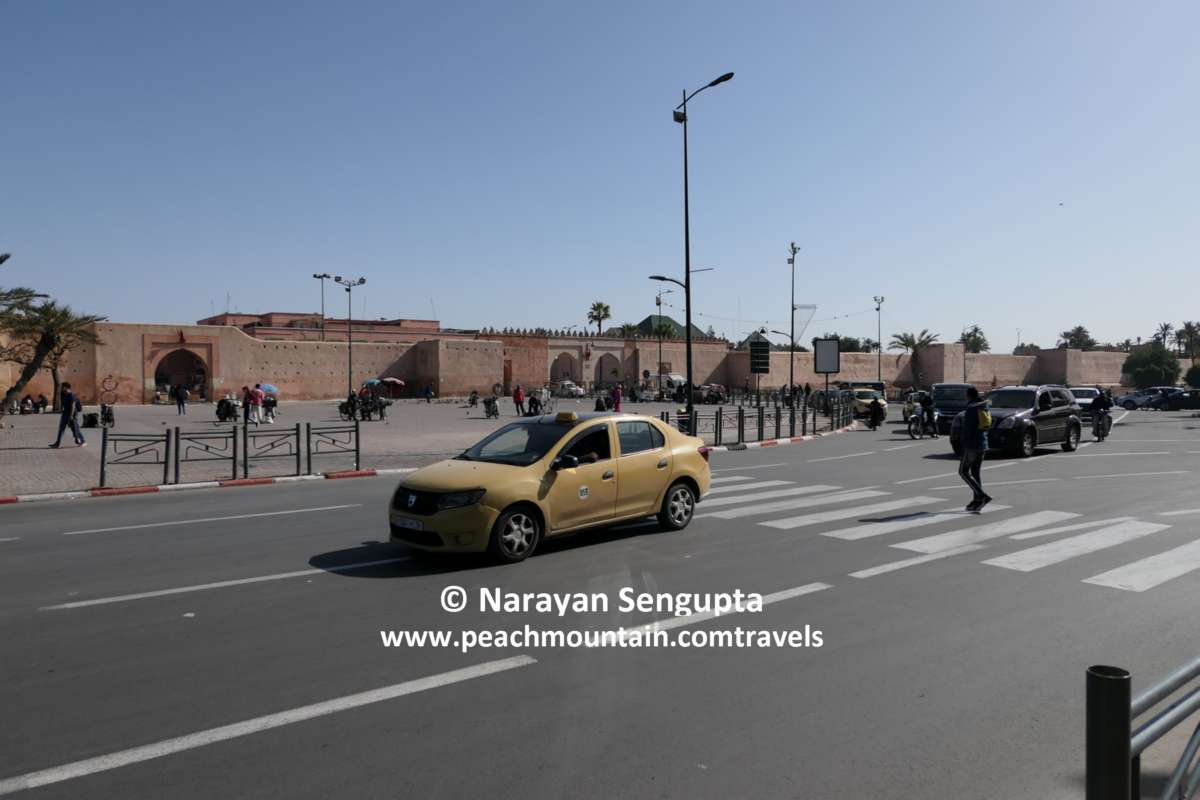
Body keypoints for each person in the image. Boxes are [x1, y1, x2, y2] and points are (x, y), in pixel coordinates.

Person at [959, 386, 991, 512]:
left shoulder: (971, 408)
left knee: (963, 472)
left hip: (971, 445)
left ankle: (982, 496)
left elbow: (968, 429)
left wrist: (963, 444)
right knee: (975, 472)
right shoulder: (984, 406)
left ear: (969, 396)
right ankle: (977, 500)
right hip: (982, 443)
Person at [49, 382, 85, 448]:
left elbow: (73, 407)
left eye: (62, 387)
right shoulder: (65, 395)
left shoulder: (71, 395)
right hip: (65, 414)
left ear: (65, 387)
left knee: (75, 429)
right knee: (61, 429)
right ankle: (57, 443)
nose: (61, 388)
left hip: (71, 415)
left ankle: (82, 441)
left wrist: (71, 416)